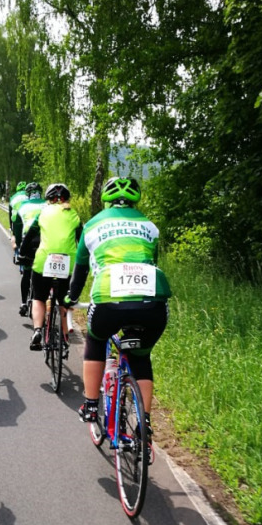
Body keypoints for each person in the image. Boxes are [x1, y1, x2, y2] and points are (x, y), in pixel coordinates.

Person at [64, 176, 171, 446]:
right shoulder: (150, 226)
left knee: (96, 340)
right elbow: (151, 261)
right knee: (140, 357)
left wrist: (71, 297)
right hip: (153, 301)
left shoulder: (92, 224)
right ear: (136, 200)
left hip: (108, 298)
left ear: (106, 200)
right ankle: (144, 424)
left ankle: (91, 405)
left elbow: (81, 270)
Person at [20, 182, 82, 352]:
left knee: (39, 298)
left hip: (44, 260)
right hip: (68, 262)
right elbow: (82, 240)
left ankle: (37, 330)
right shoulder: (74, 214)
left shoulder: (43, 213)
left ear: (48, 199)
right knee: (63, 301)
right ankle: (65, 337)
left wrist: (22, 253)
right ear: (67, 199)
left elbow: (29, 236)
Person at [12, 182, 46, 317]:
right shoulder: (48, 205)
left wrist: (19, 246)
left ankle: (23, 303)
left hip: (29, 242)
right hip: (45, 242)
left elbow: (17, 228)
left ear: (28, 195)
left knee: (26, 273)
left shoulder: (23, 206)